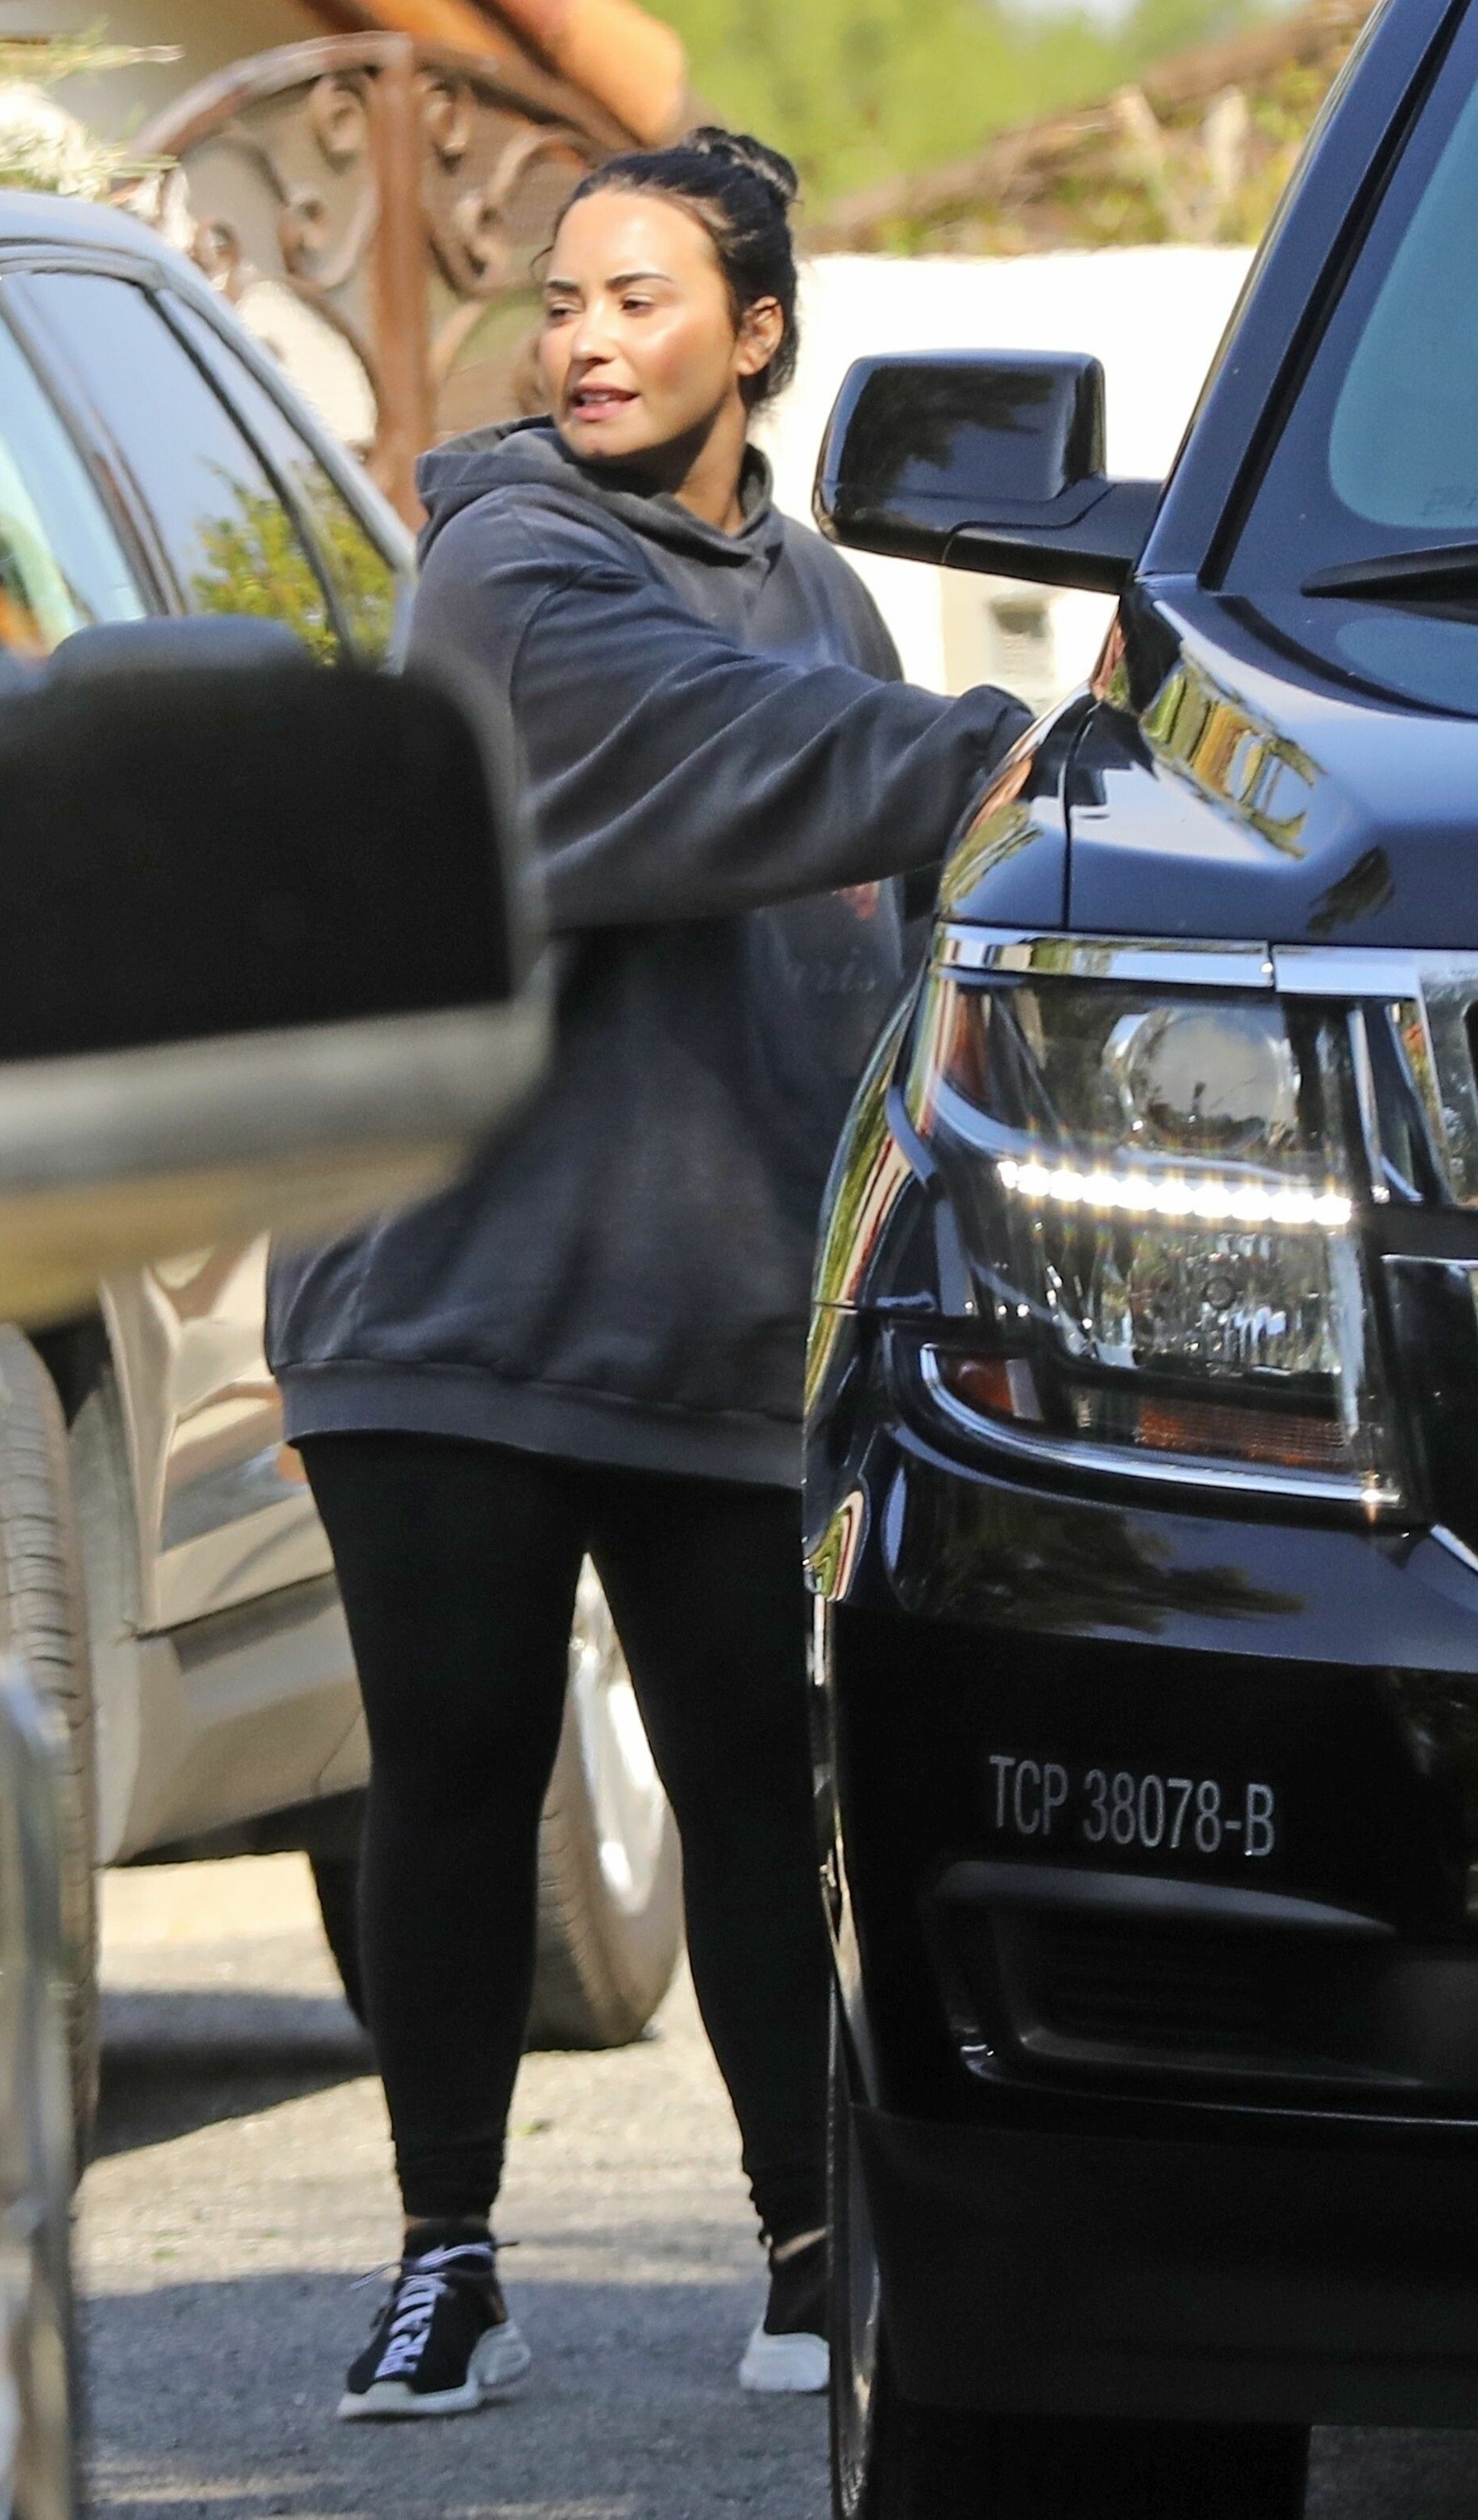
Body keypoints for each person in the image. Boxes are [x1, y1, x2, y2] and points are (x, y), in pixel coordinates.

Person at [267, 125, 1028, 2423]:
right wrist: (1009, 751)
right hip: (451, 1304)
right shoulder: (504, 569)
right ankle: (444, 2257)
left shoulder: (831, 607)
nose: (585, 343)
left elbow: (885, 965)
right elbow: (728, 750)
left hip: (713, 1317)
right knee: (456, 1770)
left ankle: (805, 2251)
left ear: (757, 334)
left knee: (754, 1787)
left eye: (640, 300)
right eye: (561, 303)